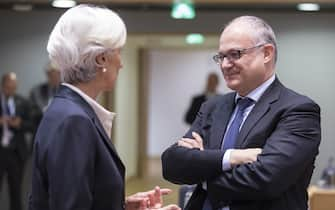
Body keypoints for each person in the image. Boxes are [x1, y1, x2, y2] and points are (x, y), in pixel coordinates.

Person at [28, 5, 180, 210]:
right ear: (101, 59)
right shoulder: (74, 120)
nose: (121, 63)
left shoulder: (68, 109)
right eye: (119, 52)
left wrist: (122, 206)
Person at [161, 15, 321, 210]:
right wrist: (232, 157)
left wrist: (203, 173)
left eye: (235, 54)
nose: (225, 64)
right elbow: (172, 164)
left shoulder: (298, 110)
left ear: (266, 53)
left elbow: (265, 179)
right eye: (221, 56)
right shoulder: (213, 107)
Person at [0, 72, 31, 210]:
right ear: (2, 86)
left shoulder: (23, 103)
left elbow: (32, 125)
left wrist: (20, 124)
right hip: (0, 150)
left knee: (16, 190)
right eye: (8, 87)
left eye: (14, 87)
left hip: (16, 152)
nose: (11, 90)